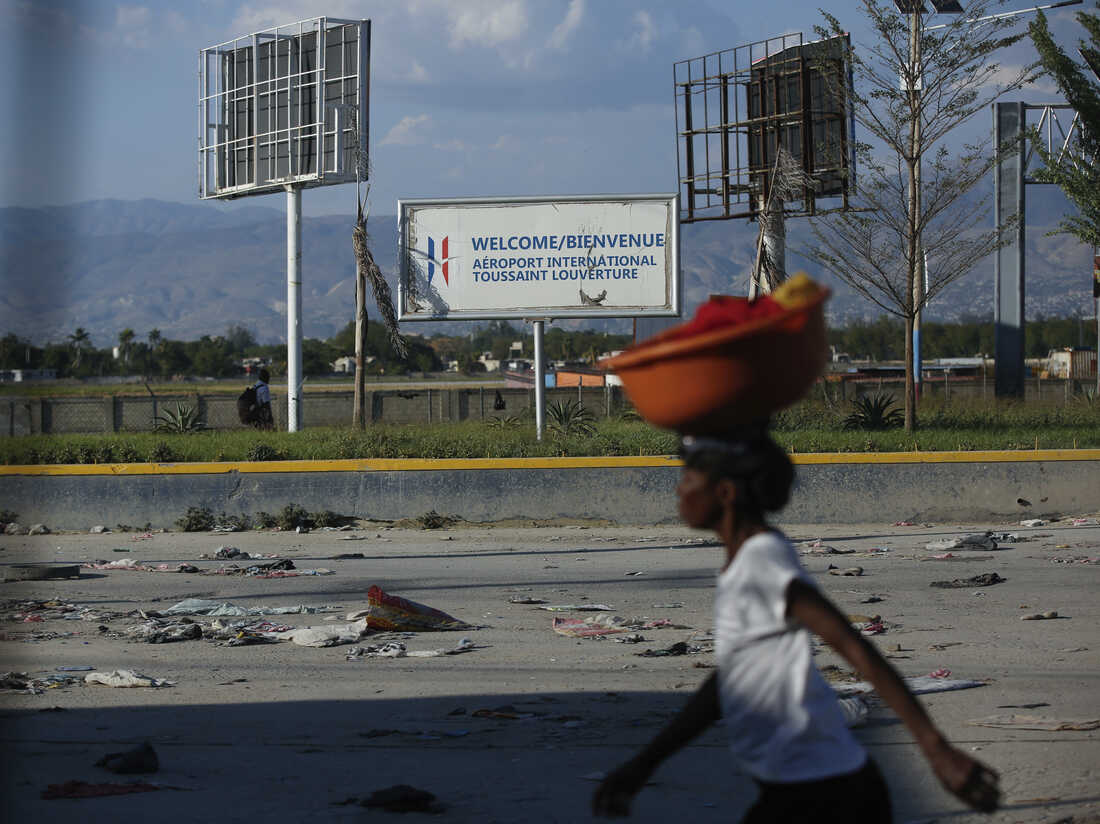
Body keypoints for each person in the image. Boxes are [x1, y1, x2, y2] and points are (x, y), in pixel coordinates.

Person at [592, 426, 1000, 822]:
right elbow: (727, 683)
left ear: (725, 493)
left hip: (827, 793)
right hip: (806, 786)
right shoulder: (745, 562)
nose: (679, 491)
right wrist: (644, 764)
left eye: (689, 479)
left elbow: (854, 647)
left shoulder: (762, 563)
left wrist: (937, 751)